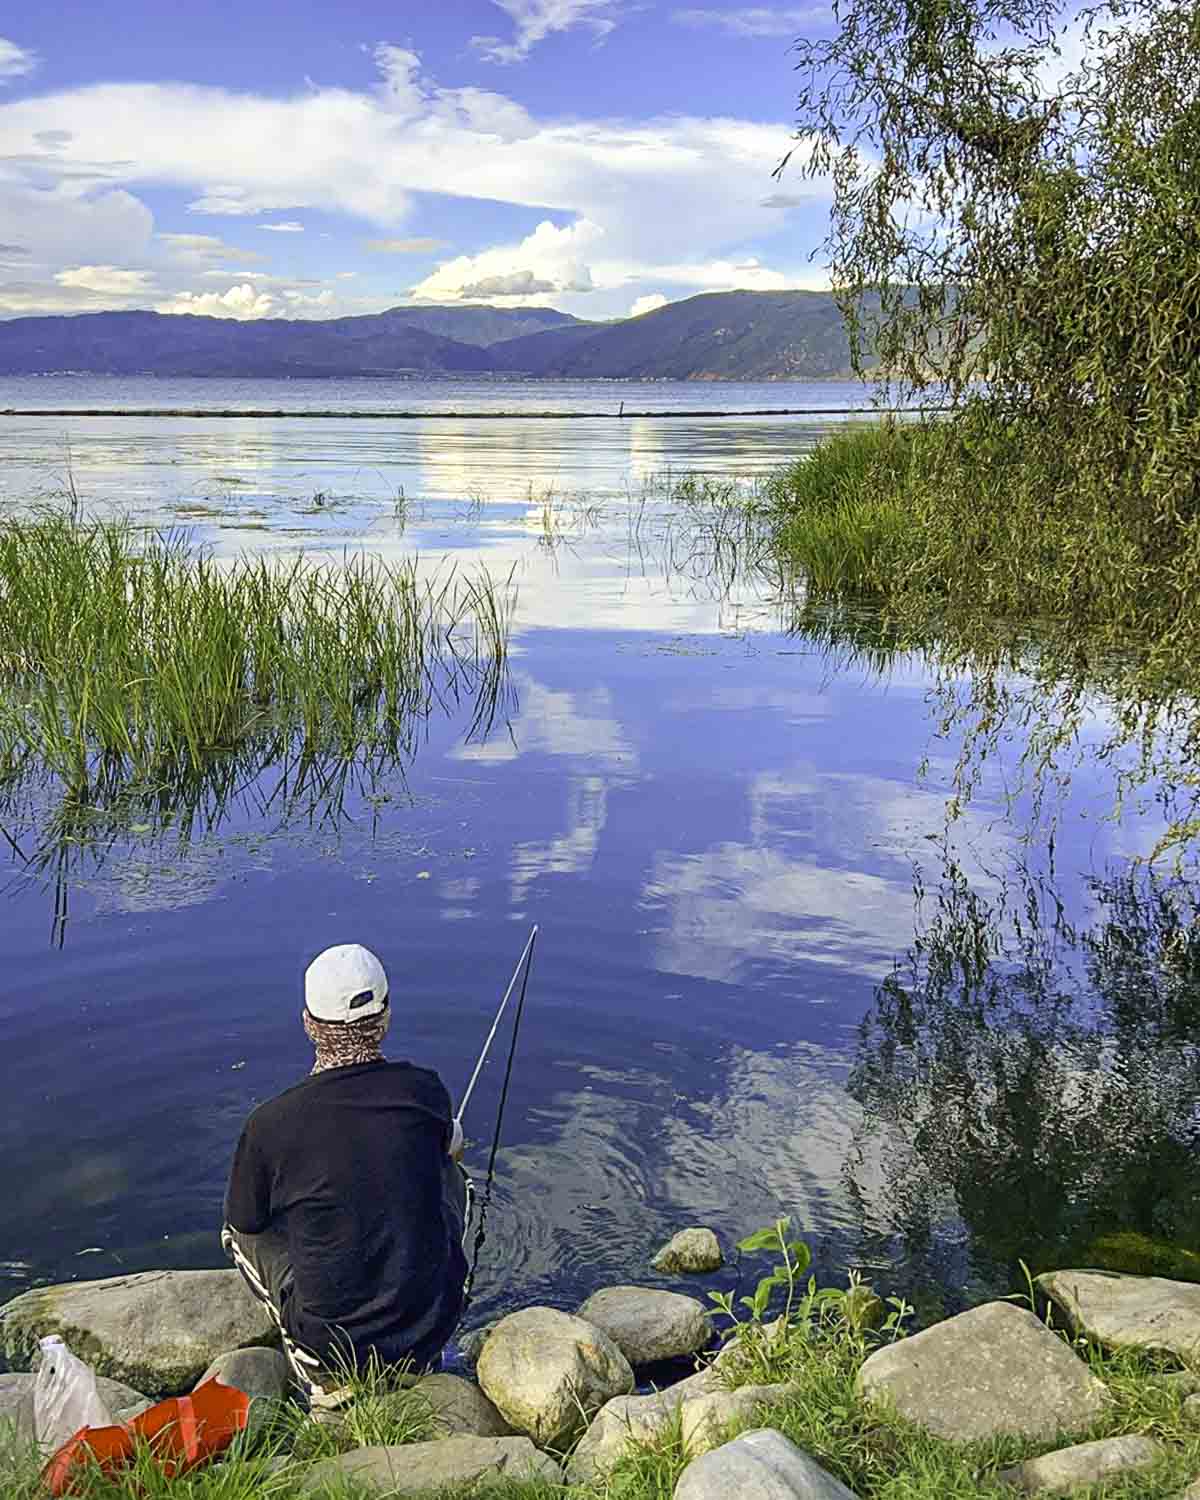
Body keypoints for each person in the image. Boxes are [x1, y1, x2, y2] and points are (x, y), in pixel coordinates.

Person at [221, 943, 468, 1406]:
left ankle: (326, 1381)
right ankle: (419, 1361)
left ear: (309, 1025)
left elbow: (247, 1221)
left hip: (331, 1348)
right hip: (427, 1331)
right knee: (451, 1172)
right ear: (386, 1017)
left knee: (236, 1230)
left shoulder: (271, 1124)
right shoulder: (426, 1090)